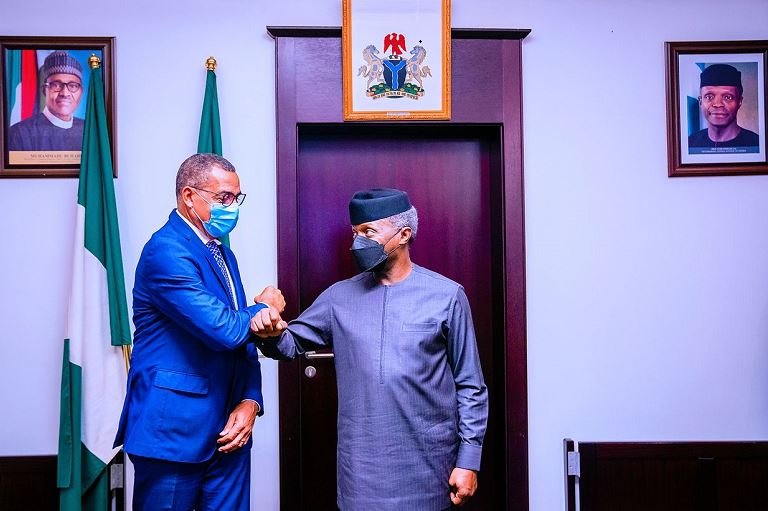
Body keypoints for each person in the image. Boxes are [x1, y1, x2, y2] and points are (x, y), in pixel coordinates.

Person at [255, 188, 489, 510]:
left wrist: (469, 459)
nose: (357, 243)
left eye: (368, 233)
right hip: (361, 470)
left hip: (430, 465)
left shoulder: (447, 296)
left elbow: (471, 385)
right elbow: (288, 344)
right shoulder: (338, 297)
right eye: (355, 234)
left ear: (404, 234)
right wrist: (267, 323)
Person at [114, 153, 286, 510]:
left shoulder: (221, 252)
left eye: (236, 198)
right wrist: (265, 308)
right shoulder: (166, 251)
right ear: (189, 196)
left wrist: (251, 400)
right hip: (172, 433)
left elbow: (242, 341)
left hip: (230, 432)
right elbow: (224, 328)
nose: (232, 207)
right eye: (223, 198)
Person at [7, 51, 86, 151]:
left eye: (73, 86)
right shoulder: (19, 133)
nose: (65, 93)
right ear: (45, 90)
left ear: (81, 92)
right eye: (56, 85)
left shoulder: (89, 129)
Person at [688, 63, 759, 149]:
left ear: (739, 102)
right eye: (709, 97)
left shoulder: (757, 144)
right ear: (700, 101)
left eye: (727, 97)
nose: (718, 104)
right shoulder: (690, 144)